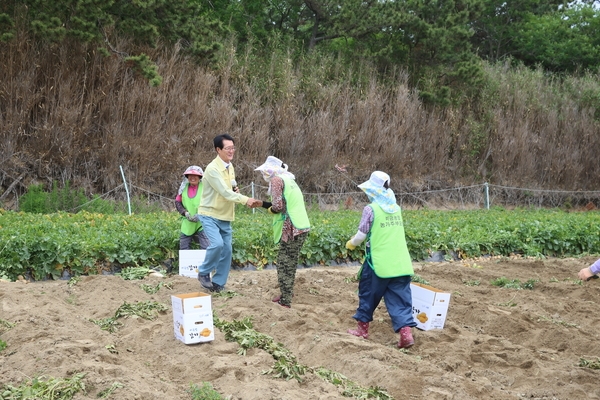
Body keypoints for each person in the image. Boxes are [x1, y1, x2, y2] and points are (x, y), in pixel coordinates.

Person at [345, 171, 417, 349]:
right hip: (400, 263)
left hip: (378, 264)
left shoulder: (371, 209)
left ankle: (362, 330)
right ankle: (406, 333)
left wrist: (351, 244)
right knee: (400, 299)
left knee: (368, 293)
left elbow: (361, 235)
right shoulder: (396, 208)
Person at [196, 134, 262, 292]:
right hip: (210, 213)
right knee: (217, 244)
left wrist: (237, 192)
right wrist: (245, 199)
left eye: (233, 148)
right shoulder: (212, 169)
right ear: (218, 150)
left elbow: (230, 190)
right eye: (228, 148)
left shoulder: (229, 166)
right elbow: (225, 193)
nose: (231, 151)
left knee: (227, 250)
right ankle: (204, 272)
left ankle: (218, 283)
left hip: (225, 215)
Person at [255, 156, 311, 308]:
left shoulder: (276, 180)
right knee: (291, 261)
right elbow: (284, 203)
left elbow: (278, 207)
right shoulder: (289, 180)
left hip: (291, 228)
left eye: (265, 171)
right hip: (302, 226)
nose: (264, 174)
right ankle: (288, 291)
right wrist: (262, 204)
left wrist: (268, 209)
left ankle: (285, 300)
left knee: (283, 263)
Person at [174, 166, 209, 250]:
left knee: (206, 247)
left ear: (200, 177)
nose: (192, 178)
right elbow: (178, 202)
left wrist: (201, 214)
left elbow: (211, 203)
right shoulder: (183, 188)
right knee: (184, 247)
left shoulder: (205, 187)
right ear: (187, 177)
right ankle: (187, 263)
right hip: (188, 221)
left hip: (203, 222)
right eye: (190, 175)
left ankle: (206, 263)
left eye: (195, 175)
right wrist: (184, 212)